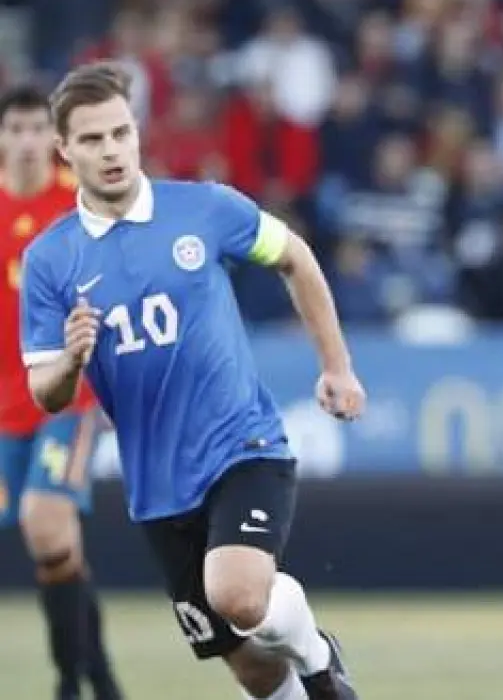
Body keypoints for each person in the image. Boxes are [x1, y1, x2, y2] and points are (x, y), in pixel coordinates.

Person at [20, 62, 364, 700]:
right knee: (252, 669)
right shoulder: (50, 259)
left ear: (136, 131)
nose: (111, 150)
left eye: (121, 133)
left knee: (238, 594)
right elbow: (46, 390)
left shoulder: (203, 208)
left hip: (242, 446)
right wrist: (70, 360)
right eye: (92, 139)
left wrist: (337, 366)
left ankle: (319, 657)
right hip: (157, 484)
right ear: (65, 149)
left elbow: (294, 255)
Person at [0, 84, 122, 700]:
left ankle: (67, 684)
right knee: (59, 551)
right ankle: (98, 679)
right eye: (14, 129)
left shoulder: (75, 204)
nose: (26, 142)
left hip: (66, 398)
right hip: (3, 411)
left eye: (35, 130)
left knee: (44, 524)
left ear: (52, 140)